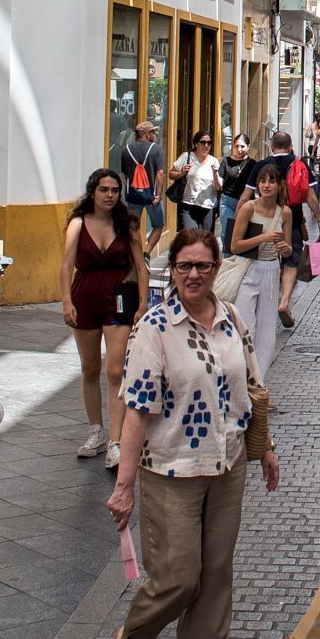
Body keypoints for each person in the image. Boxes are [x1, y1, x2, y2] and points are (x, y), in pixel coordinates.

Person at [103, 229, 281, 639]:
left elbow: (251, 386)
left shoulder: (231, 318)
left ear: (217, 267)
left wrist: (264, 446)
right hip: (171, 467)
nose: (194, 275)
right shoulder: (154, 329)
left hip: (227, 465)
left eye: (203, 266)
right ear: (173, 270)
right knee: (178, 577)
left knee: (216, 575)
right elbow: (137, 410)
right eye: (185, 266)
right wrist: (124, 486)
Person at [61, 169, 147, 463]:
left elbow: (142, 267)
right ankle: (96, 431)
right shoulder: (77, 223)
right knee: (89, 369)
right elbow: (66, 265)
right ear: (92, 192)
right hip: (84, 296)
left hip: (118, 299)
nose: (110, 195)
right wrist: (66, 302)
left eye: (114, 190)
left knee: (115, 371)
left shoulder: (127, 225)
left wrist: (143, 305)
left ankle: (116, 440)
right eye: (104, 190)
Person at [243, 130, 320, 326]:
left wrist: (239, 218)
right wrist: (319, 220)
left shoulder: (261, 165)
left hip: (262, 216)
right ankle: (284, 302)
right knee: (291, 259)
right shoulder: (299, 163)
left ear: (271, 146)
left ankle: (261, 301)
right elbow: (310, 195)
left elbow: (246, 194)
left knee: (262, 256)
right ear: (290, 146)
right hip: (291, 215)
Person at [228, 171, 293, 367]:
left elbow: (289, 250)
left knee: (266, 332)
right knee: (245, 328)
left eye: (271, 181)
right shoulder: (249, 208)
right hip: (248, 269)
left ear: (279, 185)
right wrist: (263, 238)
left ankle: (259, 385)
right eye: (262, 181)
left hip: (272, 270)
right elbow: (234, 246)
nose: (266, 185)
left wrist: (286, 248)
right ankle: (244, 377)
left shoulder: (285, 212)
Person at [118, 119, 169, 257]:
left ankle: (136, 256)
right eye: (153, 132)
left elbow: (123, 175)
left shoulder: (126, 150)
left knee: (133, 227)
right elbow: (160, 174)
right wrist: (158, 194)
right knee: (158, 225)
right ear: (147, 134)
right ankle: (146, 254)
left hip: (133, 196)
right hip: (152, 197)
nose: (154, 135)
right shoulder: (156, 149)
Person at [167, 131, 222, 237]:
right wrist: (182, 173)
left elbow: (218, 187)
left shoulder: (214, 161)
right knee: (190, 238)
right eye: (203, 142)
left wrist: (215, 174)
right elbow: (171, 174)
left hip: (207, 206)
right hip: (188, 205)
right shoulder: (186, 157)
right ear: (196, 144)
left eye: (209, 143)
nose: (206, 145)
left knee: (205, 242)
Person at [217, 133, 258, 252]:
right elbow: (219, 184)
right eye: (237, 146)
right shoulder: (226, 161)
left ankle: (241, 260)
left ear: (248, 147)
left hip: (246, 203)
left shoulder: (253, 164)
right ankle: (228, 261)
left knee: (244, 232)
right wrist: (215, 174)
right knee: (227, 232)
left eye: (242, 146)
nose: (239, 149)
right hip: (227, 201)